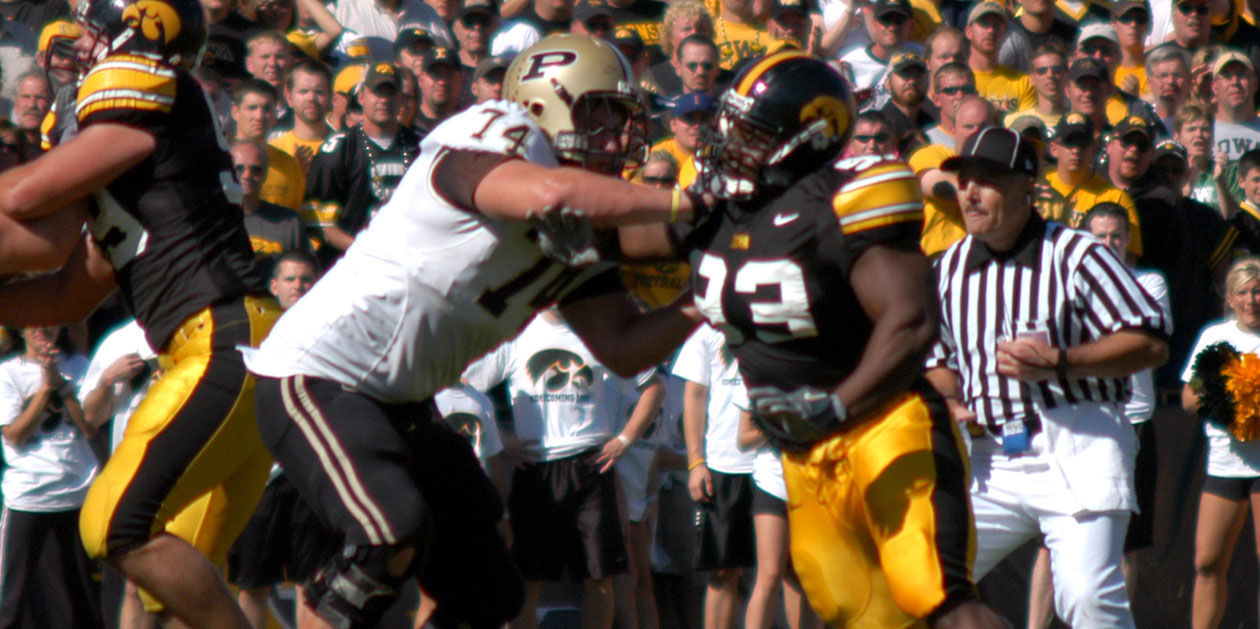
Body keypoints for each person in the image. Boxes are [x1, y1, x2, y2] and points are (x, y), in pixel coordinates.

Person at [243, 34, 709, 628]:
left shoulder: (576, 222)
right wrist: (691, 202)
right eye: (601, 113)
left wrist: (705, 299)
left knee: (489, 590)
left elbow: (622, 348)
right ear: (543, 105)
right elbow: (550, 192)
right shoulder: (493, 133)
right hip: (320, 375)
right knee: (390, 530)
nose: (617, 137)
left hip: (403, 403)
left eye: (623, 118)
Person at [617, 49, 1003, 628]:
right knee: (860, 615)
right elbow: (613, 241)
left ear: (806, 136)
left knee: (937, 596)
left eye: (750, 128)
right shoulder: (725, 207)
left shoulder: (848, 198)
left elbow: (912, 321)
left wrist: (837, 403)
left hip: (882, 422)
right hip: (801, 450)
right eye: (730, 123)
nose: (727, 140)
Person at [0, 0, 279, 623]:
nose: (80, 42)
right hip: (242, 345)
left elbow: (22, 195)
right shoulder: (143, 159)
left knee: (112, 524)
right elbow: (72, 293)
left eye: (96, 29)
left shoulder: (146, 94)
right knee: (171, 594)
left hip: (219, 341)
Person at [925, 126, 1170, 628]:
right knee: (920, 581)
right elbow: (936, 360)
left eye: (986, 180)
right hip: (990, 455)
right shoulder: (947, 268)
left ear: (1026, 187)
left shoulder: (1078, 254)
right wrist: (950, 399)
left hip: (1079, 438)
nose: (969, 192)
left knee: (1084, 598)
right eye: (963, 179)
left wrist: (1062, 361)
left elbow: (1150, 341)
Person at [464, 308, 658, 629]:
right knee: (528, 579)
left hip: (592, 466)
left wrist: (625, 438)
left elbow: (653, 387)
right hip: (537, 470)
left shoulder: (597, 333)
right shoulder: (517, 334)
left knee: (600, 578)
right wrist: (502, 437)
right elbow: (463, 384)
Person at [0, 326, 103, 628]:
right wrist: (46, 389)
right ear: (20, 328)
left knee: (82, 590)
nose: (43, 329)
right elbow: (15, 435)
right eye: (34, 321)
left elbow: (88, 428)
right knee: (12, 595)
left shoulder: (80, 366)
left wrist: (62, 385)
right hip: (29, 495)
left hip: (78, 492)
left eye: (51, 320)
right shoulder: (8, 372)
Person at [1181, 257, 1260, 629]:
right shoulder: (1215, 339)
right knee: (1207, 562)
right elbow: (1187, 397)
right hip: (1225, 463)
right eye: (1242, 292)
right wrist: (1225, 400)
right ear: (1229, 298)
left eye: (1258, 290)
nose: (1251, 299)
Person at [674, 323, 754, 629]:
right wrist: (696, 462)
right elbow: (694, 394)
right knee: (722, 571)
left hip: (778, 458)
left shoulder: (780, 313)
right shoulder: (706, 327)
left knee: (789, 569)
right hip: (725, 462)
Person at [302, 62, 421, 262]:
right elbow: (319, 224)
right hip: (350, 263)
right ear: (361, 97)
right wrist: (367, 251)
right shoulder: (339, 148)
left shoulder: (419, 147)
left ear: (401, 99)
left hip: (406, 261)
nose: (383, 100)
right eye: (377, 92)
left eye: (390, 93)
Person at [232, 139, 310, 260]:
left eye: (256, 170)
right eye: (239, 168)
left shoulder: (289, 223)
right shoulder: (210, 221)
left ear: (266, 174)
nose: (247, 175)